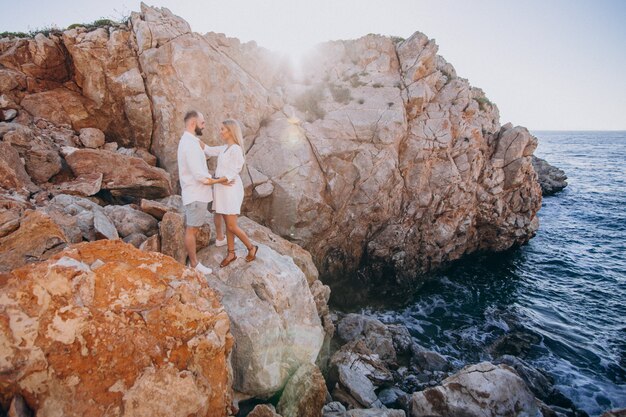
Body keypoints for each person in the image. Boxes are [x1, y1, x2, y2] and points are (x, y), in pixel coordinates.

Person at [177, 110, 230, 275]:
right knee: (191, 229)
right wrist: (218, 180)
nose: (204, 126)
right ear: (193, 123)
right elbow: (199, 174)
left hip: (197, 193)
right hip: (195, 194)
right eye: (202, 123)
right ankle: (194, 264)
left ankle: (219, 239)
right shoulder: (189, 145)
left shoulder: (192, 142)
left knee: (196, 226)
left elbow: (208, 151)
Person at [202, 119, 258, 267]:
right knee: (228, 223)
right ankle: (231, 253)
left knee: (232, 226)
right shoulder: (224, 148)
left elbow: (236, 169)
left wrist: (215, 181)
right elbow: (207, 149)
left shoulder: (236, 149)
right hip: (222, 188)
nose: (220, 132)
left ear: (230, 131)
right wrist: (191, 138)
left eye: (223, 129)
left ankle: (252, 248)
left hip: (230, 189)